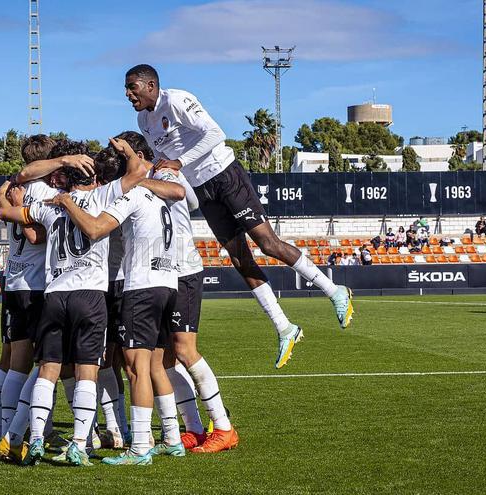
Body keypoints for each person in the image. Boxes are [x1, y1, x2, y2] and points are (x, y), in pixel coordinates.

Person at [124, 63, 351, 369]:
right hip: (202, 189)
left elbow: (216, 134)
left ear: (150, 85)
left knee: (267, 244)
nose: (128, 94)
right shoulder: (143, 119)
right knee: (239, 258)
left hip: (225, 175)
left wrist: (180, 162)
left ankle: (335, 291)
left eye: (132, 88)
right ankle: (285, 328)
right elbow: (164, 160)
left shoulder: (176, 101)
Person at [0, 138, 147, 466]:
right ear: (93, 176)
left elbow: (7, 212)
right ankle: (80, 441)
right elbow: (136, 173)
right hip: (90, 295)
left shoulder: (52, 204)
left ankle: (34, 438)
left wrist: (7, 191)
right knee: (87, 371)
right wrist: (125, 150)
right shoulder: (101, 196)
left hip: (53, 295)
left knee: (47, 368)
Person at [50, 140, 188, 465]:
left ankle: (139, 446)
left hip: (138, 286)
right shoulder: (160, 193)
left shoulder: (133, 193)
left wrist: (67, 203)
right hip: (168, 283)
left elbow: (96, 229)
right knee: (154, 364)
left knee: (134, 368)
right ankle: (172, 437)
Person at [114, 130, 237, 453]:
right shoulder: (158, 176)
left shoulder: (163, 173)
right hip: (166, 272)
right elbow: (193, 200)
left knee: (184, 350)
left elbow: (183, 194)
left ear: (139, 157)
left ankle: (222, 426)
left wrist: (139, 180)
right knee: (164, 358)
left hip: (183, 270)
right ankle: (193, 428)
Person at [0, 135, 56, 463]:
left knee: (15, 362)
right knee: (41, 363)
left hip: (14, 282)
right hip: (36, 286)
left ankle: (2, 433)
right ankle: (13, 435)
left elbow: (4, 214)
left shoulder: (9, 187)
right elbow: (37, 235)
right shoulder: (44, 191)